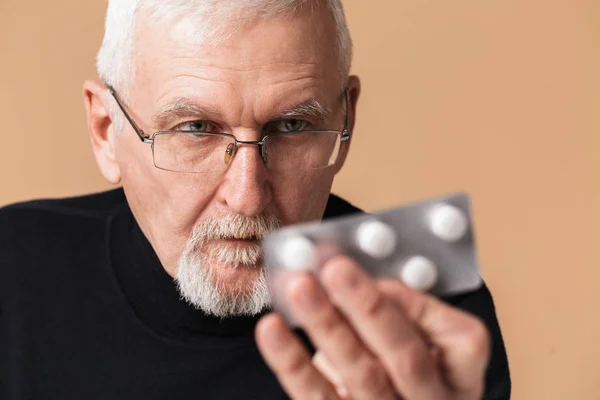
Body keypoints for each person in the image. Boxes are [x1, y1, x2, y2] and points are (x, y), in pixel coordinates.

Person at [0, 1, 511, 399]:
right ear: (106, 130)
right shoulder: (12, 271)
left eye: (291, 127)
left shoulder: (430, 316)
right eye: (196, 128)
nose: (247, 198)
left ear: (346, 121)